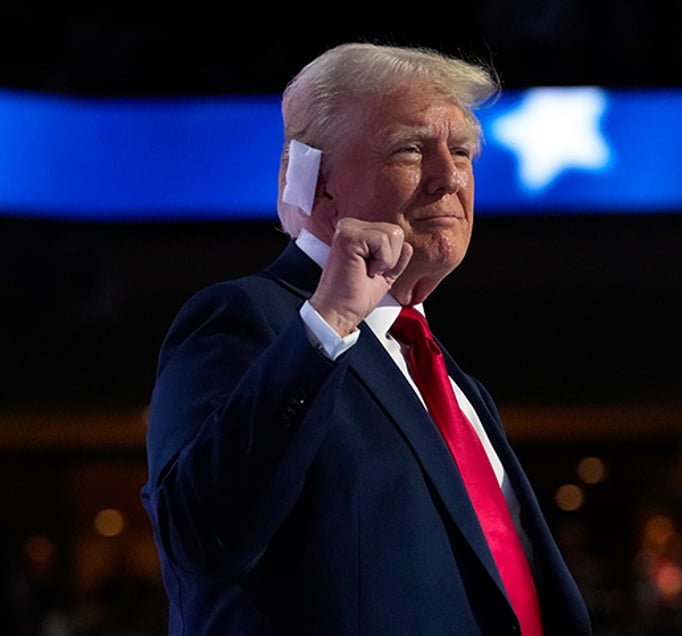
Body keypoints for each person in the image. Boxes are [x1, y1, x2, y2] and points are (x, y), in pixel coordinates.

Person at [141, 41, 592, 635]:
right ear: (318, 184)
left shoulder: (458, 386)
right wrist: (327, 321)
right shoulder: (248, 320)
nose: (449, 176)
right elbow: (199, 538)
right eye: (410, 149)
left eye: (460, 151)